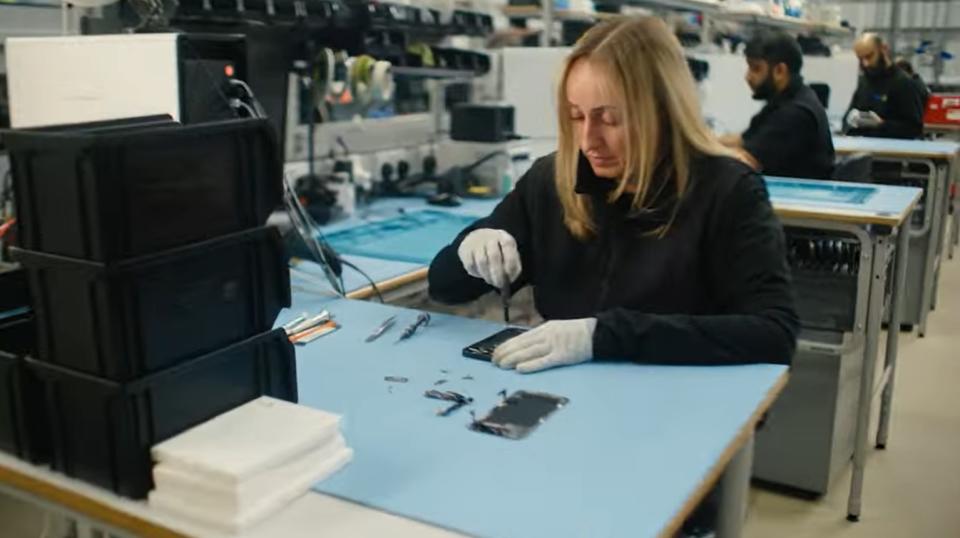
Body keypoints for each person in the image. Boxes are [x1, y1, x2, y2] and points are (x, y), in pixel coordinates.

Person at [428, 16, 799, 375]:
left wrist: (603, 336)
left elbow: (773, 335)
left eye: (609, 120)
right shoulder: (552, 181)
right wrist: (472, 247)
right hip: (570, 399)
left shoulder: (728, 191)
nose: (588, 141)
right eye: (576, 116)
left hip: (679, 405)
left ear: (662, 112)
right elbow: (445, 287)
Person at [719, 30, 835, 179]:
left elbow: (746, 160)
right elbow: (744, 140)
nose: (748, 77)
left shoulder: (795, 113)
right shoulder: (788, 99)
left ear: (780, 71)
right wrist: (701, 140)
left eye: (756, 69)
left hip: (795, 198)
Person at [843, 33, 924, 139]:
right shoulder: (864, 82)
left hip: (892, 149)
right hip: (863, 145)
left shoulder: (903, 83)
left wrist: (882, 125)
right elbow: (848, 117)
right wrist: (850, 124)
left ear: (883, 49)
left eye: (869, 56)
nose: (865, 63)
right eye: (860, 59)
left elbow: (914, 128)